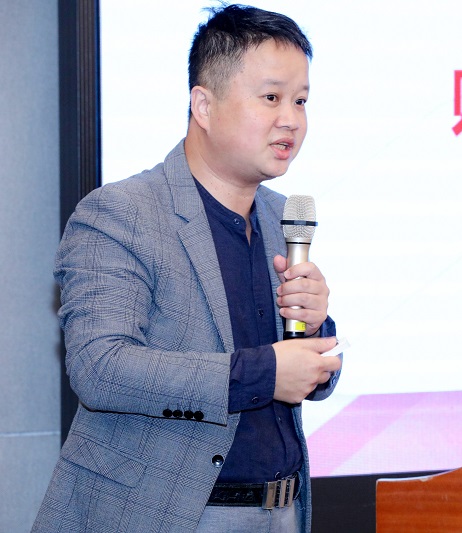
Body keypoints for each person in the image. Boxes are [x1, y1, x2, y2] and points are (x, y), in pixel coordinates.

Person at [33, 5, 341, 532]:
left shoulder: (280, 217)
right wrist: (266, 372)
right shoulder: (122, 213)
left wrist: (313, 330)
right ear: (204, 104)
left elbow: (309, 380)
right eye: (271, 97)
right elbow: (100, 368)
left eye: (301, 100)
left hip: (284, 509)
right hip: (169, 515)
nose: (291, 119)